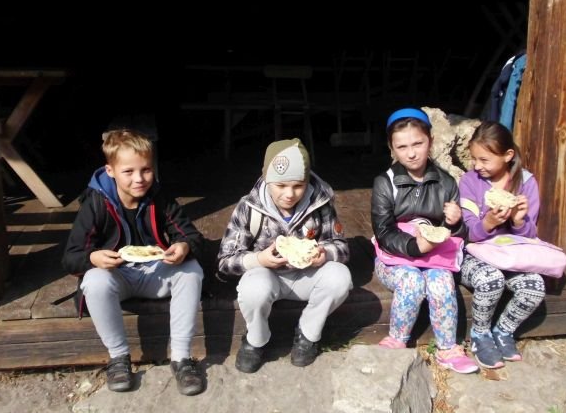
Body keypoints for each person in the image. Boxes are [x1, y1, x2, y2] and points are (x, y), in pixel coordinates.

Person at [62, 129, 205, 395]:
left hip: (154, 273)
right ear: (110, 171)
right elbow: (71, 257)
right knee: (94, 281)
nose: (139, 179)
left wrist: (184, 246)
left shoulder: (158, 196)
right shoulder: (96, 203)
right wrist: (93, 257)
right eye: (128, 171)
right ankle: (118, 357)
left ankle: (182, 358)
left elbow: (190, 235)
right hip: (117, 277)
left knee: (191, 271)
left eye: (146, 170)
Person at [217, 138, 352, 373]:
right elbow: (225, 261)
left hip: (307, 276)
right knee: (253, 289)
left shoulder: (320, 204)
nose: (290, 194)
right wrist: (259, 259)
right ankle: (256, 339)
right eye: (281, 185)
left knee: (340, 277)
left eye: (298, 185)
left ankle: (308, 333)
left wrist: (324, 254)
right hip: (267, 277)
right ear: (267, 179)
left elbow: (341, 246)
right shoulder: (249, 207)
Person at [371, 108, 479, 374]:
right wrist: (413, 246)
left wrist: (454, 223)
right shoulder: (385, 183)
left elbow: (458, 235)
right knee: (411, 280)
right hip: (395, 259)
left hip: (435, 258)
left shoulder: (446, 182)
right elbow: (383, 232)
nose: (411, 153)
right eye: (402, 147)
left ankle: (448, 348)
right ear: (392, 148)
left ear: (430, 140)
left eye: (417, 143)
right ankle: (398, 338)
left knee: (441, 282)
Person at [458, 121, 546, 369]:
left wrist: (518, 221)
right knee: (491, 279)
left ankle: (504, 331)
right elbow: (467, 232)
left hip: (510, 254)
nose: (477, 166)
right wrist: (487, 223)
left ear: (508, 155)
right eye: (474, 159)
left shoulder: (526, 182)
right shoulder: (469, 182)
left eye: (484, 160)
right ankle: (480, 334)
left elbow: (529, 234)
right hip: (474, 254)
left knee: (534, 286)